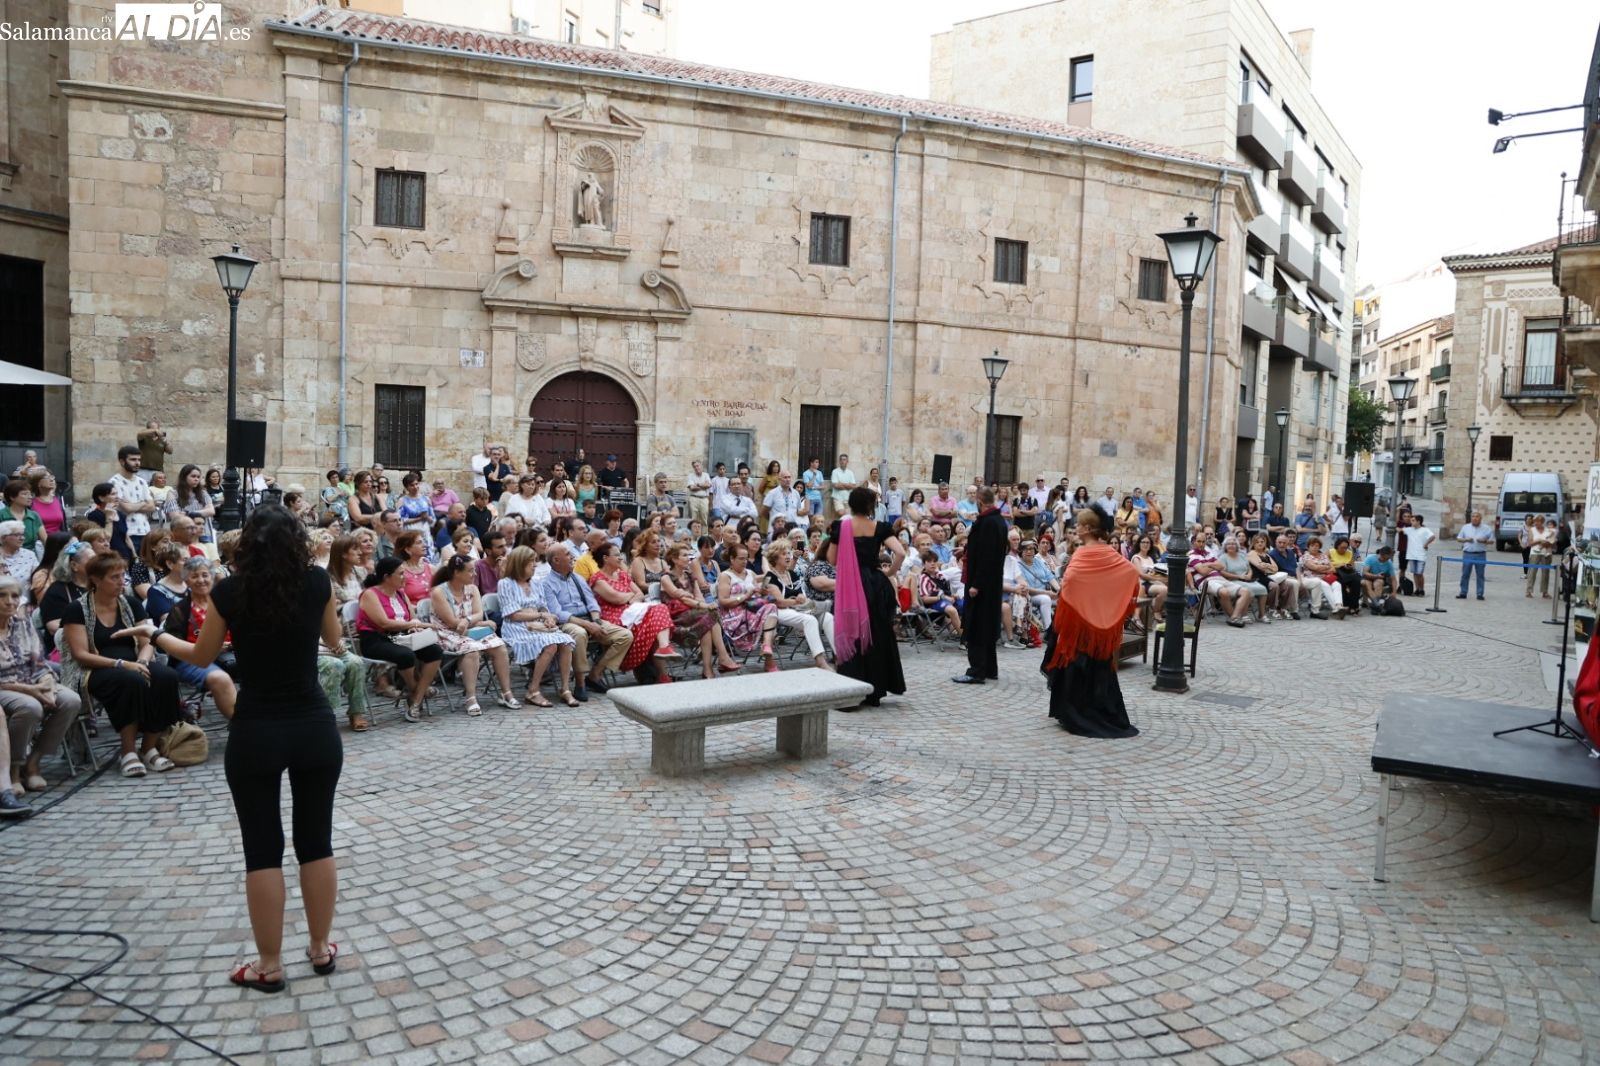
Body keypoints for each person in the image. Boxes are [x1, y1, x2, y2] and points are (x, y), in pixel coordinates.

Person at [127, 504, 345, 992]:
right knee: (317, 840)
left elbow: (201, 656)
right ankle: (319, 948)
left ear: (247, 542)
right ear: (297, 540)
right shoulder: (317, 581)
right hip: (313, 724)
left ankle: (269, 964)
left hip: (258, 728)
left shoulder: (229, 590)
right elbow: (334, 640)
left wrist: (156, 634)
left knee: (262, 849)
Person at [61, 552, 183, 777]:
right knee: (131, 681)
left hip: (133, 661)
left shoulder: (132, 604)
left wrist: (142, 661)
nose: (122, 582)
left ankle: (149, 748)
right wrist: (121, 664)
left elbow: (148, 642)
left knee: (166, 677)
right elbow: (80, 655)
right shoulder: (77, 609)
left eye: (123, 576)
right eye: (114, 577)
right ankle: (128, 752)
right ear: (96, 579)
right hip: (94, 668)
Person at [1043, 511, 1140, 738]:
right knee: (1099, 666)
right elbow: (1129, 573)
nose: (1076, 527)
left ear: (1087, 529)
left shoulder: (1083, 553)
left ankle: (1075, 714)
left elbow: (1072, 582)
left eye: (1079, 524)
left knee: (1075, 667)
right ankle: (1095, 710)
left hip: (1079, 624)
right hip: (1099, 624)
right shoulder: (1109, 552)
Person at [0, 574, 82, 801]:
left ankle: (33, 761)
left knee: (70, 699)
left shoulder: (23, 625)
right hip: (5, 687)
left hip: (32, 681)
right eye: (2, 596)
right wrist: (32, 691)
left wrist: (46, 684)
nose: (10, 601)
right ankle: (14, 770)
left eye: (15, 596)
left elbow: (39, 661)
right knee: (31, 707)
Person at [824, 485, 906, 703]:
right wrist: (890, 571)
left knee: (853, 635)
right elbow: (900, 552)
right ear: (872, 506)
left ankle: (852, 687)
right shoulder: (880, 526)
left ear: (850, 504)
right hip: (875, 585)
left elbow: (832, 560)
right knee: (877, 635)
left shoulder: (841, 527)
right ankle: (875, 691)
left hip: (851, 585)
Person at [539, 544, 631, 701]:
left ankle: (595, 674)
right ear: (556, 560)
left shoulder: (578, 579)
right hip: (567, 622)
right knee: (579, 634)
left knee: (625, 635)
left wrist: (596, 621)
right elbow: (557, 613)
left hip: (589, 618)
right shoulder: (546, 583)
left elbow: (592, 603)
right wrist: (588, 625)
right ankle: (580, 682)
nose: (573, 557)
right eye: (568, 554)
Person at [429, 554, 518, 714]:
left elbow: (478, 613)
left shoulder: (472, 589)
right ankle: (471, 697)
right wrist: (475, 621)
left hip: (470, 630)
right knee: (471, 649)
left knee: (500, 646)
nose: (474, 574)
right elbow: (451, 622)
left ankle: (506, 692)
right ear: (457, 573)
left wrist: (470, 620)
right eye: (470, 571)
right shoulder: (439, 592)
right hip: (446, 633)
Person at [357, 557, 443, 721]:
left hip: (401, 637)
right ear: (386, 577)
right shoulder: (370, 594)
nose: (406, 577)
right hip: (375, 639)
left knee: (435, 651)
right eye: (401, 574)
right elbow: (383, 623)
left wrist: (416, 625)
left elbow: (412, 618)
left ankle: (416, 698)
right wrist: (415, 624)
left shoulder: (401, 594)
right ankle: (417, 690)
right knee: (405, 655)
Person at [495, 546, 578, 708]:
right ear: (520, 563)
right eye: (531, 561)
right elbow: (513, 615)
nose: (535, 565)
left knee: (566, 641)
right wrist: (542, 616)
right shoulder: (505, 584)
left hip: (537, 626)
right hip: (517, 628)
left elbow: (542, 606)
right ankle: (533, 690)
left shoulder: (536, 583)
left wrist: (548, 618)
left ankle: (565, 689)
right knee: (550, 645)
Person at [162, 557, 239, 721]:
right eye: (194, 576)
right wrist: (209, 647)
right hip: (191, 659)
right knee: (220, 679)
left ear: (212, 577)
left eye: (205, 575)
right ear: (186, 580)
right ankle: (241, 725)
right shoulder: (180, 610)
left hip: (232, 654)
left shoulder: (228, 603)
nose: (201, 580)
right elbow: (175, 647)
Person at [589, 542, 681, 677]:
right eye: (616, 554)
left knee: (659, 611)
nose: (621, 558)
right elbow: (617, 599)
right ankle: (662, 667)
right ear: (605, 558)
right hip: (614, 617)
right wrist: (630, 596)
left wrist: (629, 597)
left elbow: (640, 595)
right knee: (657, 619)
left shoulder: (623, 576)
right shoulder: (598, 579)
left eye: (620, 554)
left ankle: (663, 654)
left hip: (633, 612)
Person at [953, 487, 1007, 685]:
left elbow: (986, 557)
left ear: (980, 502)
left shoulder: (986, 523)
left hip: (981, 585)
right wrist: (967, 548)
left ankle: (976, 671)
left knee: (976, 626)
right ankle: (990, 668)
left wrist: (976, 584)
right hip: (993, 584)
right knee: (987, 625)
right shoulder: (999, 520)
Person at [765, 543, 834, 671]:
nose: (788, 556)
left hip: (797, 610)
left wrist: (805, 600)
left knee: (828, 617)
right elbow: (778, 602)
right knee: (810, 620)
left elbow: (802, 596)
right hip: (777, 612)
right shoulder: (769, 577)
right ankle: (820, 660)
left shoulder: (792, 574)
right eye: (783, 554)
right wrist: (796, 601)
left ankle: (840, 656)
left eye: (788, 553)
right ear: (775, 558)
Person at [1456, 510, 1493, 600]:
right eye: (1473, 516)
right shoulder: (1465, 527)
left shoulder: (1487, 528)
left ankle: (1480, 593)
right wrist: (1466, 539)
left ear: (1480, 518)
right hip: (1468, 554)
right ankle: (1463, 592)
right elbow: (1459, 539)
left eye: (1477, 516)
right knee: (1465, 574)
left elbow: (1492, 541)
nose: (1475, 518)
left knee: (1480, 574)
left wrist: (1484, 541)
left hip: (1480, 554)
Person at [1400, 514, 1435, 597]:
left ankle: (1421, 589)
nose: (1411, 522)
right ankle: (1417, 589)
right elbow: (1400, 529)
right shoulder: (1410, 530)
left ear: (1418, 521)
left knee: (1419, 573)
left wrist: (1426, 544)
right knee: (1415, 573)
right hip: (1411, 555)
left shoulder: (1425, 530)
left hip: (1420, 555)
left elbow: (1432, 536)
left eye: (1413, 520)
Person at [828, 454, 858, 521]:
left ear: (847, 461)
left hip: (848, 498)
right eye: (841, 460)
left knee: (848, 517)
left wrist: (842, 484)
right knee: (841, 513)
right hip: (838, 497)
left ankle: (843, 529)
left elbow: (853, 486)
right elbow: (836, 485)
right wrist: (848, 486)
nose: (842, 461)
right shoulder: (835, 471)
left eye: (844, 460)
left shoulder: (850, 472)